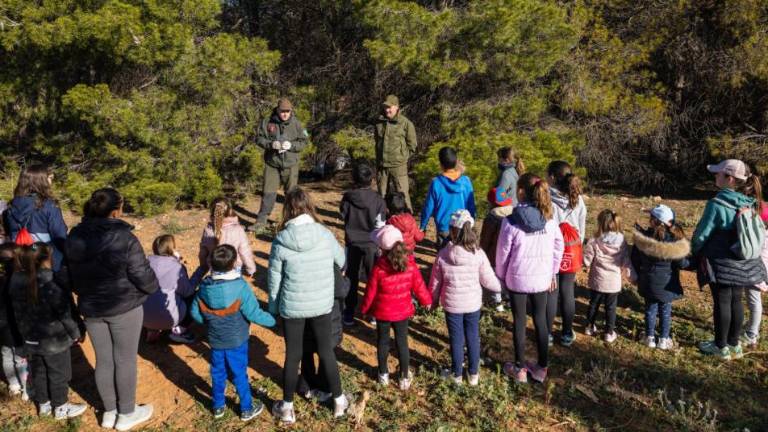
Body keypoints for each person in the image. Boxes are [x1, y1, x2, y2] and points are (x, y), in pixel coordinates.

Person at [66, 188, 158, 431]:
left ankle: (110, 411)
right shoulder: (125, 237)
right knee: (125, 360)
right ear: (116, 210)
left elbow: (69, 273)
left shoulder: (74, 236)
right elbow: (142, 275)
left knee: (104, 360)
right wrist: (150, 290)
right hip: (123, 306)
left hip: (92, 307)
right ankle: (127, 413)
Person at [267, 187, 348, 424]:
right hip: (322, 303)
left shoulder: (280, 240)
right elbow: (341, 261)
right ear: (309, 206)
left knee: (293, 355)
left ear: (288, 210)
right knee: (326, 351)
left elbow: (274, 279)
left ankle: (288, 407)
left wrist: (274, 307)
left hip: (292, 307)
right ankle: (339, 401)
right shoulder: (324, 234)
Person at [189, 244, 275, 421]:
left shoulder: (204, 288)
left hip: (215, 340)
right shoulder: (240, 287)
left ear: (211, 264)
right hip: (237, 339)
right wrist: (273, 321)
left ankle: (218, 406)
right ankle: (246, 408)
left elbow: (194, 313)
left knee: (217, 372)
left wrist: (209, 322)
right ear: (234, 263)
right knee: (239, 373)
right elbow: (254, 313)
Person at [692, 160, 767, 360]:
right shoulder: (748, 202)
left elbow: (702, 234)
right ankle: (734, 345)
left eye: (718, 174)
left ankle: (720, 346)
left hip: (721, 260)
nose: (715, 176)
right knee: (737, 300)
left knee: (721, 302)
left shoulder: (717, 204)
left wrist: (694, 251)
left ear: (730, 179)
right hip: (743, 261)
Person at [496, 173, 564, 384]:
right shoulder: (550, 219)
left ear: (521, 192)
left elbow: (503, 253)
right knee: (540, 320)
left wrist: (501, 275)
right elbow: (558, 248)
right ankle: (542, 368)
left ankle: (519, 368)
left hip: (517, 278)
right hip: (542, 278)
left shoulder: (510, 221)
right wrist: (552, 272)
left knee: (519, 321)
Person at [8, 243, 87, 419]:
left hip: (30, 339)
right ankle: (60, 407)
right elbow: (64, 314)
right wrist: (77, 332)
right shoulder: (50, 283)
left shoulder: (15, 282)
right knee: (59, 373)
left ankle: (43, 405)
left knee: (39, 372)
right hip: (54, 341)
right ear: (46, 260)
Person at [429, 210, 501, 386]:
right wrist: (501, 288)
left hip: (452, 306)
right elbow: (488, 280)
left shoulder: (443, 254)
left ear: (453, 230)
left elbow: (435, 282)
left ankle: (456, 374)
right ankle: (474, 374)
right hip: (473, 304)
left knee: (456, 338)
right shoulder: (478, 254)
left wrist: (433, 300)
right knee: (473, 336)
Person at [361, 224, 432, 390]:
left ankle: (383, 374)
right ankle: (404, 377)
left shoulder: (379, 268)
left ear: (382, 248)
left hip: (382, 313)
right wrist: (426, 301)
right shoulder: (410, 265)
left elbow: (370, 292)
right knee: (402, 342)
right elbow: (419, 286)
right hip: (402, 312)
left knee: (382, 342)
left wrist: (365, 310)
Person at [631, 205, 690, 350]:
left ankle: (649, 337)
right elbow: (683, 264)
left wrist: (639, 274)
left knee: (650, 310)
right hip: (667, 285)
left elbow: (634, 259)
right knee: (665, 311)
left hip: (648, 282)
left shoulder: (643, 239)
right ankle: (664, 339)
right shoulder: (674, 242)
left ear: (652, 221)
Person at [249, 98, 309, 231]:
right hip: (272, 163)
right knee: (268, 192)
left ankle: (292, 221)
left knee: (292, 194)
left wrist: (292, 145)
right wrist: (271, 144)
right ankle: (261, 222)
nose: (285, 114)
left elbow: (305, 141)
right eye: (282, 111)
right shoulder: (267, 122)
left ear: (291, 111)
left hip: (290, 164)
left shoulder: (297, 124)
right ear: (277, 110)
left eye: (287, 111)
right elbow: (258, 138)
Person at [546, 160, 587, 347]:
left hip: (551, 250)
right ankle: (567, 333)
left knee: (551, 291)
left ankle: (547, 333)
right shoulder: (578, 200)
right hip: (571, 249)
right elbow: (582, 231)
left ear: (553, 178)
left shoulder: (546, 199)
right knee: (567, 291)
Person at [340, 162, 386, 326]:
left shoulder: (348, 197)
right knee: (373, 279)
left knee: (351, 278)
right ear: (372, 180)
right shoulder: (377, 200)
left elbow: (343, 215)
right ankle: (373, 313)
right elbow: (380, 224)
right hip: (371, 244)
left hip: (352, 243)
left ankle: (349, 313)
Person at [480, 147, 526, 311]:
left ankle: (497, 298)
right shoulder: (513, 171)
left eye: (499, 158)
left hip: (503, 212)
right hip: (510, 211)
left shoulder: (506, 175)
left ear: (505, 159)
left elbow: (499, 194)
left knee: (497, 262)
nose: (497, 161)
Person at [297, 264, 349, 401]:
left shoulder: (303, 265)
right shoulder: (331, 265)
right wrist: (346, 279)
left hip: (306, 320)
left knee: (306, 352)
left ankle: (306, 386)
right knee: (326, 356)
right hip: (329, 324)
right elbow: (341, 290)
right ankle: (324, 388)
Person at [2, 165, 68, 271]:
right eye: (50, 178)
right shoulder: (48, 205)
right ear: (41, 181)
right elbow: (60, 236)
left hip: (19, 259)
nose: (51, 182)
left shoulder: (11, 206)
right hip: (45, 260)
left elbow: (9, 233)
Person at [583, 210, 631, 343]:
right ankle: (609, 333)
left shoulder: (594, 240)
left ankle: (589, 327)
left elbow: (587, 259)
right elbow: (626, 261)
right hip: (613, 282)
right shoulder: (622, 241)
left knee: (593, 304)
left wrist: (585, 263)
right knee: (611, 307)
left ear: (600, 224)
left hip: (597, 280)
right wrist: (632, 276)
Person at [143, 235, 199, 344]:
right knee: (195, 296)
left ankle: (151, 330)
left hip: (143, 318)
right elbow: (188, 292)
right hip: (168, 318)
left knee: (152, 297)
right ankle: (179, 331)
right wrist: (200, 270)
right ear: (172, 249)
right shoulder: (177, 268)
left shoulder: (144, 263)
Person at [420, 147, 476, 250]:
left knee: (444, 256)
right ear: (456, 162)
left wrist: (422, 226)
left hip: (444, 227)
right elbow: (471, 204)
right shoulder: (466, 181)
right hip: (463, 225)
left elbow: (428, 207)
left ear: (440, 164)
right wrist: (471, 222)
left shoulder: (436, 183)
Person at [374, 95, 418, 211]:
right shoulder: (379, 122)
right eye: (385, 107)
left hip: (398, 166)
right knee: (381, 196)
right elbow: (377, 143)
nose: (387, 110)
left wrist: (402, 157)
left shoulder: (406, 123)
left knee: (403, 194)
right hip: (382, 166)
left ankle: (408, 223)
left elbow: (412, 145)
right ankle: (383, 222)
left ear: (397, 107)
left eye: (389, 107)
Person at [199, 198, 256, 276]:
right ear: (230, 211)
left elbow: (203, 253)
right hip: (234, 268)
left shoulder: (208, 231)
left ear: (212, 212)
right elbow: (245, 252)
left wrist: (203, 267)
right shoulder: (238, 230)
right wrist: (251, 269)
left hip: (214, 268)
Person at [0, 243, 28, 401]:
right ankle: (25, 387)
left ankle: (13, 385)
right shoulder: (18, 281)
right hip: (15, 327)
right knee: (20, 358)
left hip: (1, 327)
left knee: (6, 356)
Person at [744, 203, 768, 347]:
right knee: (754, 301)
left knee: (754, 302)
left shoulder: (760, 235)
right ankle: (751, 328)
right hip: (763, 272)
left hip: (755, 272)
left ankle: (752, 334)